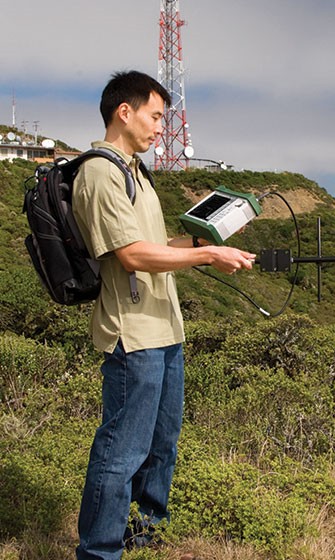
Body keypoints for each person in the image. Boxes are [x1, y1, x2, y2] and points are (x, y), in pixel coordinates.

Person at [73, 70, 255, 559]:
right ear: (124, 112)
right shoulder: (99, 173)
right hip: (132, 335)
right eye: (155, 116)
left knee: (160, 447)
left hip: (165, 329)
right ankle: (100, 551)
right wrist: (207, 258)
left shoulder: (137, 174)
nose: (160, 128)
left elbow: (157, 246)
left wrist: (207, 241)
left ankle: (144, 539)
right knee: (122, 451)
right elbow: (131, 255)